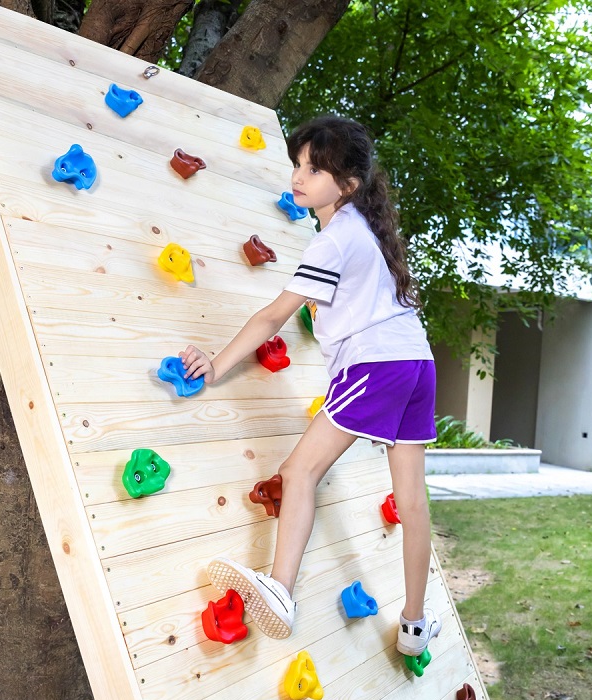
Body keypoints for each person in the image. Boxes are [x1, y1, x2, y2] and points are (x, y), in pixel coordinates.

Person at [180, 116, 440, 657]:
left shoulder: (335, 240)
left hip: (377, 365)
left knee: (299, 471)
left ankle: (280, 590)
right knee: (412, 502)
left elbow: (273, 316)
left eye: (314, 169)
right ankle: (415, 625)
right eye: (298, 164)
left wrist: (216, 363)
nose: (299, 177)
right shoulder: (367, 233)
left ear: (346, 185)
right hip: (416, 361)